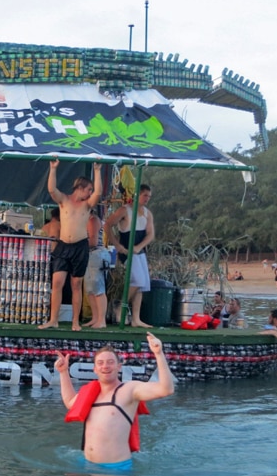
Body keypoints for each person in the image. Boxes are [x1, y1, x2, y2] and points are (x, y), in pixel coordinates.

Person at [55, 332, 174, 470]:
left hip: (115, 468)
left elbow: (166, 389)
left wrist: (158, 354)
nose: (105, 366)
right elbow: (70, 402)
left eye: (111, 362)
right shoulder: (90, 392)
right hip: (86, 463)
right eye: (100, 363)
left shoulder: (130, 390)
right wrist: (63, 372)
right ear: (95, 369)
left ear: (119, 366)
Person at [38, 159, 103, 331]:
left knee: (76, 284)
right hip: (63, 246)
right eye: (88, 189)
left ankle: (75, 321)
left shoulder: (87, 204)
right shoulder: (64, 200)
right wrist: (53, 169)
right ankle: (53, 319)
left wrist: (97, 171)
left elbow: (98, 193)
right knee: (57, 282)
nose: (90, 193)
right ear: (80, 187)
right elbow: (52, 189)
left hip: (80, 247)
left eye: (90, 190)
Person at [104, 184, 154, 328]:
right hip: (127, 251)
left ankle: (136, 318)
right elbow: (107, 225)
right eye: (145, 196)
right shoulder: (124, 210)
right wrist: (117, 245)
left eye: (149, 197)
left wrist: (140, 246)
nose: (147, 199)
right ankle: (121, 305)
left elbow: (150, 234)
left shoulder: (147, 213)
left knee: (142, 284)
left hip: (139, 251)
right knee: (137, 280)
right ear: (137, 195)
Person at [83, 209, 109, 329]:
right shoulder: (85, 220)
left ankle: (101, 320)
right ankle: (95, 318)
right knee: (90, 289)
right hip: (89, 255)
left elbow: (92, 241)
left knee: (98, 288)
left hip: (96, 254)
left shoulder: (93, 220)